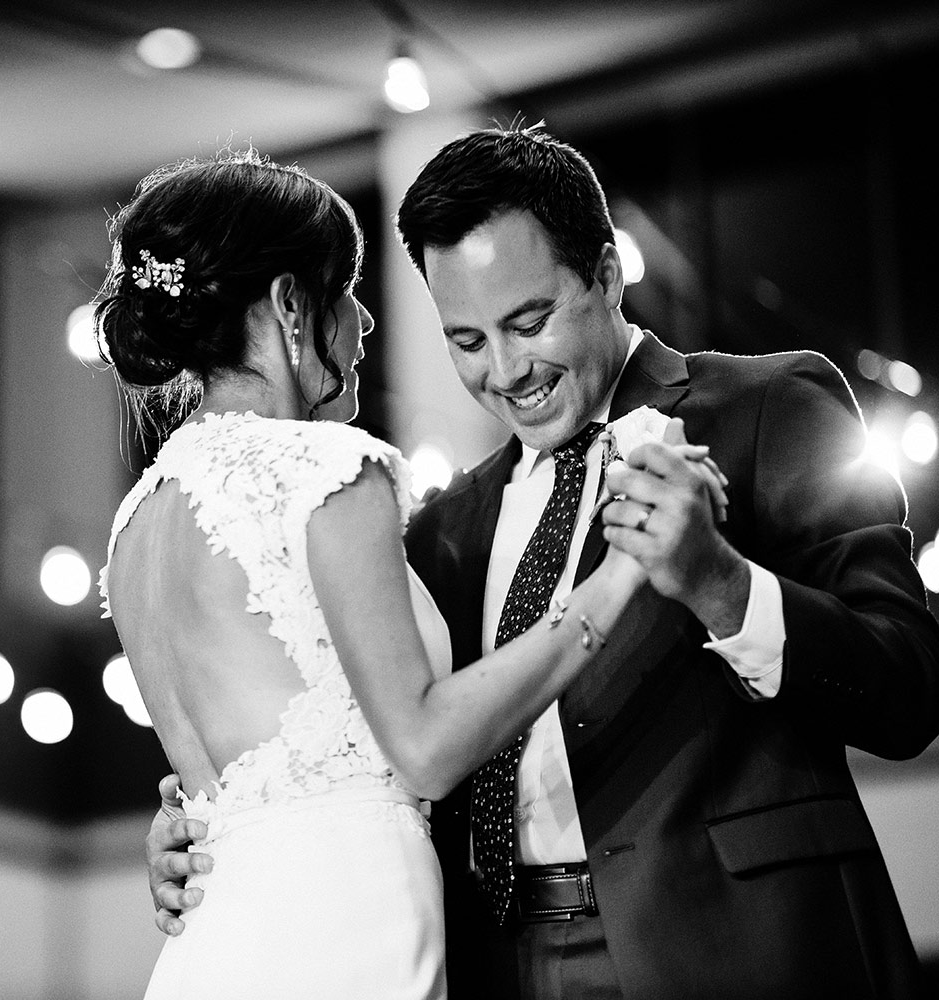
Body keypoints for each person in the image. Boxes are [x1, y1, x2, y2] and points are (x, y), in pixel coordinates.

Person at [147, 125, 939, 999]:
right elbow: (387, 739)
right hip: (502, 968)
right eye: (467, 341)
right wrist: (209, 823)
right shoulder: (438, 531)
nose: (507, 370)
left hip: (738, 951)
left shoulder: (765, 408)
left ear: (607, 275)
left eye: (529, 323)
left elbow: (909, 689)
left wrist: (722, 584)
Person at [96, 149, 705, 999]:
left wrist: (180, 825)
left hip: (217, 942)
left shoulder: (136, 523)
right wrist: (615, 581)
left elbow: (240, 778)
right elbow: (423, 749)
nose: (364, 321)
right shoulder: (328, 470)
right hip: (344, 932)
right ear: (290, 305)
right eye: (346, 292)